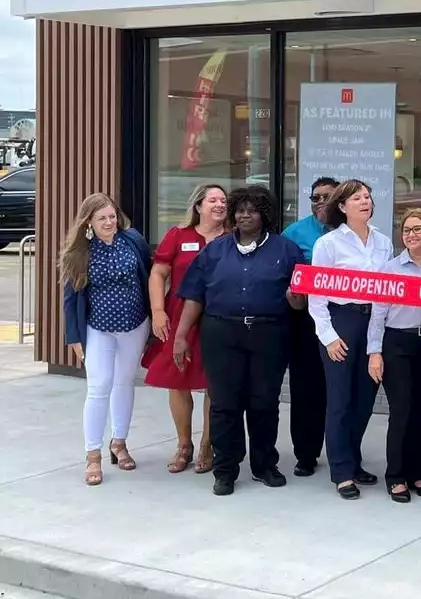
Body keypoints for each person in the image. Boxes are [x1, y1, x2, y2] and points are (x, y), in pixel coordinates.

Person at [172, 185, 305, 496]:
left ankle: (264, 465)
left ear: (265, 214)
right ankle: (225, 470)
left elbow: (300, 303)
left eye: (252, 209)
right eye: (240, 209)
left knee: (264, 402)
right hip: (222, 333)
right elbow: (194, 296)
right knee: (224, 404)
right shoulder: (214, 251)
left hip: (269, 333)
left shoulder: (286, 251)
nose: (245, 214)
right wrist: (181, 336)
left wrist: (295, 299)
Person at [310, 179, 394, 499]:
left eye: (368, 197)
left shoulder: (383, 243)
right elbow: (317, 298)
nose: (365, 202)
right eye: (357, 198)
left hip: (373, 320)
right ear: (342, 207)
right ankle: (342, 471)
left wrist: (377, 343)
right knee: (340, 400)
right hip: (339, 321)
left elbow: (384, 293)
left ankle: (354, 460)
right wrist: (329, 337)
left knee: (364, 399)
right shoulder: (328, 244)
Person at [60, 193, 152, 486]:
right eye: (102, 218)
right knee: (99, 387)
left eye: (112, 216)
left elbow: (148, 276)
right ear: (89, 221)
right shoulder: (79, 252)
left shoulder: (132, 240)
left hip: (135, 325)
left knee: (125, 382)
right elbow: (70, 296)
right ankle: (93, 456)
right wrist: (74, 336)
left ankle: (119, 442)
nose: (109, 222)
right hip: (98, 328)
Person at [144, 183, 226, 475]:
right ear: (198, 206)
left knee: (214, 383)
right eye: (213, 200)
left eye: (223, 200)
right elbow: (158, 273)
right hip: (179, 316)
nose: (219, 204)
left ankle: (207, 443)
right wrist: (157, 311)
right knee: (178, 379)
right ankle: (183, 445)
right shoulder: (179, 236)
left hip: (219, 316)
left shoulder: (231, 238)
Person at [368, 208, 421, 503]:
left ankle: (417, 472)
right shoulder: (391, 269)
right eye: (406, 230)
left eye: (417, 229)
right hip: (398, 343)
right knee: (402, 411)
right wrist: (374, 352)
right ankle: (396, 475)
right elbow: (377, 315)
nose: (411, 234)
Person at [281, 176, 337, 476]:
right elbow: (281, 274)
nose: (320, 202)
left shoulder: (353, 230)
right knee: (306, 389)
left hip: (345, 318)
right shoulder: (294, 233)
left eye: (327, 196)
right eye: (315, 197)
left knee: (342, 391)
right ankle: (306, 454)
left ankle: (344, 453)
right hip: (305, 319)